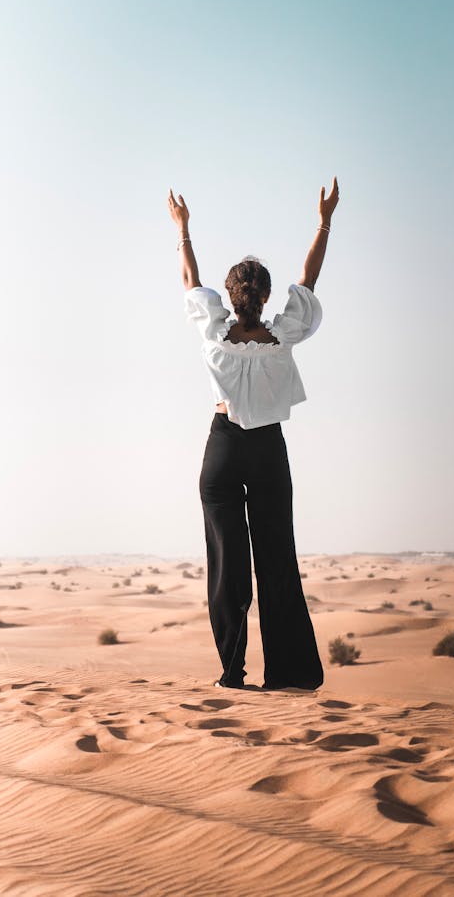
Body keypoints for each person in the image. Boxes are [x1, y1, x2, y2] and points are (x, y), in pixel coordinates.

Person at [168, 178, 340, 691]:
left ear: (232, 295)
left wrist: (183, 229)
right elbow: (310, 277)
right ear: (265, 297)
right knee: (276, 561)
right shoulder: (282, 336)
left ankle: (231, 674)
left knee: (227, 569)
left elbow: (188, 279)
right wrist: (324, 220)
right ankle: (287, 674)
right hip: (266, 448)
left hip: (221, 448)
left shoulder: (213, 334)